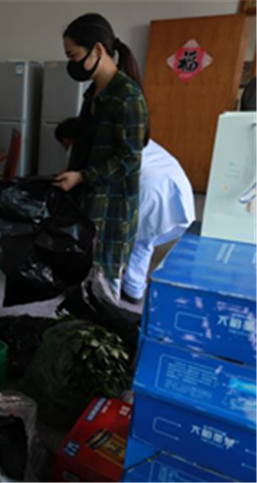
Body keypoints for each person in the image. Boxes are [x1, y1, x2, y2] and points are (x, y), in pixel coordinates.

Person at [53, 13, 149, 297]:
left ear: (97, 50)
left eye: (73, 55)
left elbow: (129, 159)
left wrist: (82, 176)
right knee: (80, 281)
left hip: (112, 210)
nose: (72, 63)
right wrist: (72, 173)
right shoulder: (93, 92)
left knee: (103, 290)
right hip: (88, 202)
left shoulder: (127, 96)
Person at [55, 118, 195, 304]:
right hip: (175, 184)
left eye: (65, 145)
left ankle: (109, 295)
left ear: (70, 139)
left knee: (116, 243)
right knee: (143, 241)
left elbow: (82, 177)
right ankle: (133, 290)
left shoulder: (88, 146)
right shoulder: (122, 135)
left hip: (147, 188)